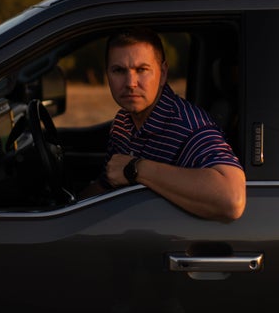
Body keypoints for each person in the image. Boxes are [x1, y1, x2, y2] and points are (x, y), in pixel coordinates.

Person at [82, 27, 246, 223]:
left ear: (163, 73)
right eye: (119, 70)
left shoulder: (187, 126)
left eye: (141, 70)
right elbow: (108, 184)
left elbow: (231, 200)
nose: (130, 83)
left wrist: (136, 169)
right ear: (107, 74)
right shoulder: (122, 122)